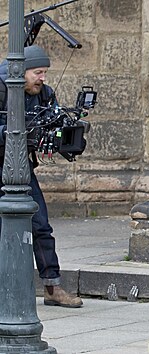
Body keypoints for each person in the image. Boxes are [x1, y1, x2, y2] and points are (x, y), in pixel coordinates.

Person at [0, 45, 82, 308]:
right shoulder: (3, 90)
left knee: (41, 226)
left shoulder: (45, 94)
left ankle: (52, 287)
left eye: (44, 72)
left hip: (21, 168)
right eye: (37, 72)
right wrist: (10, 132)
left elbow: (54, 126)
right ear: (21, 72)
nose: (42, 77)